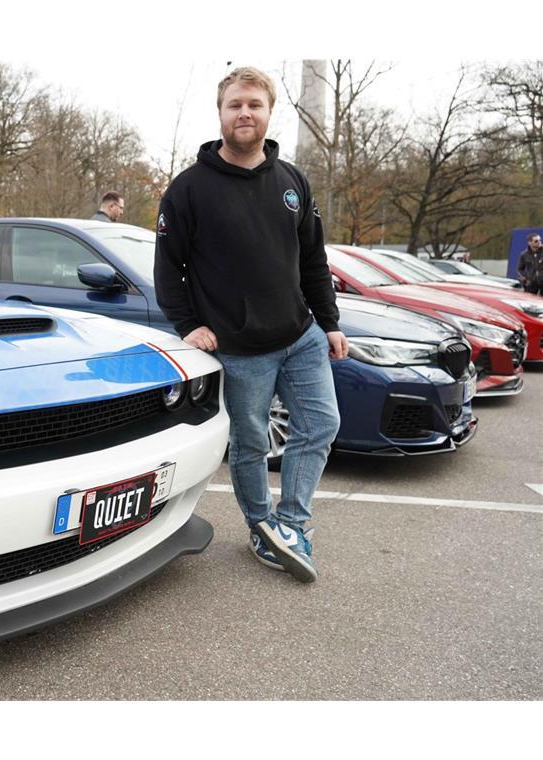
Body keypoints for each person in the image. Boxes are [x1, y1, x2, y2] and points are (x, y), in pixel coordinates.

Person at [153, 66, 346, 584]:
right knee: (252, 444)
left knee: (321, 425)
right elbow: (168, 267)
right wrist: (188, 324)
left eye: (254, 104)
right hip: (239, 347)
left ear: (268, 112)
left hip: (300, 336)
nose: (245, 113)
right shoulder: (189, 189)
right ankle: (262, 528)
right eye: (235, 104)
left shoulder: (293, 182)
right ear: (220, 113)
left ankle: (293, 524)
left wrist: (328, 322)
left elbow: (312, 260)